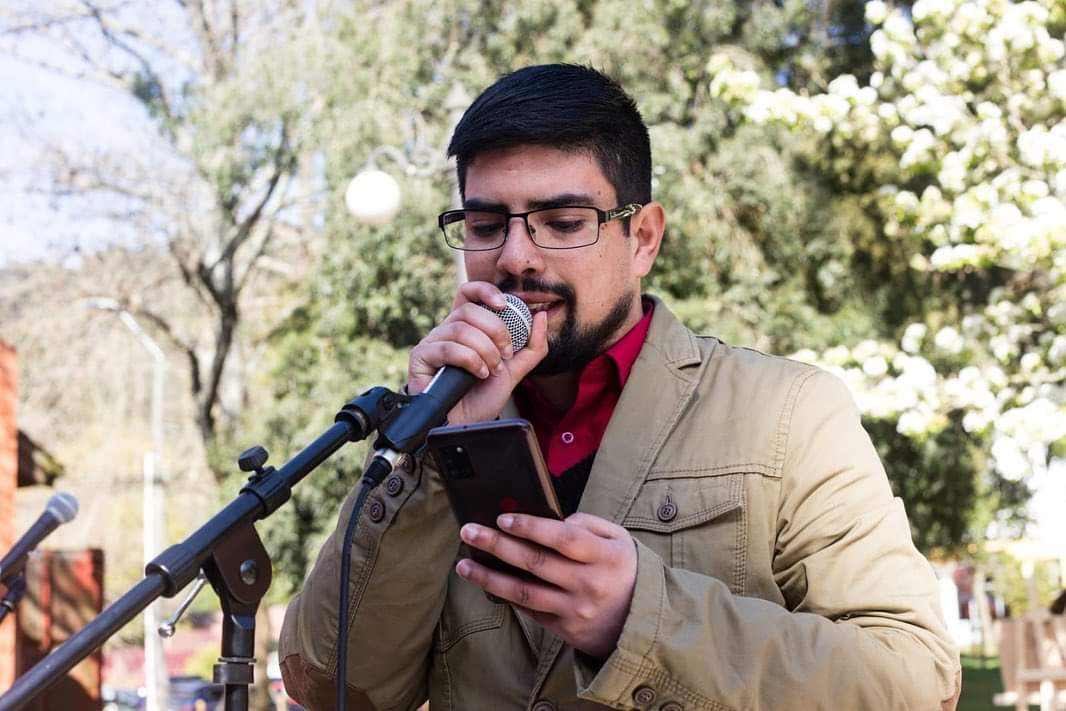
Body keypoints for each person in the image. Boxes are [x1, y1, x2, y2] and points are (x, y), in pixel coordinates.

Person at [279, 64, 961, 710]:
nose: (515, 255)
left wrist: (645, 621)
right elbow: (336, 687)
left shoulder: (788, 410)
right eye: (486, 225)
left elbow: (914, 677)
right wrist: (431, 451)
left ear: (643, 238)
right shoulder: (435, 430)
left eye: (564, 222)